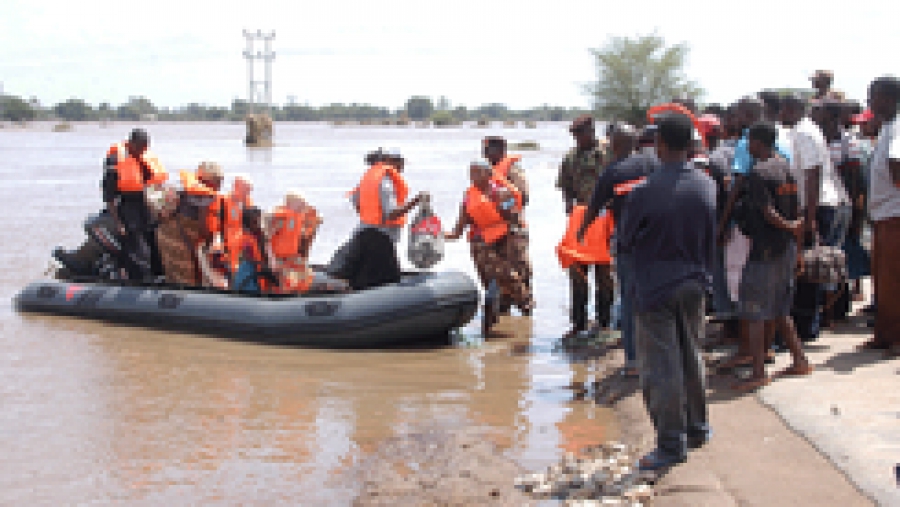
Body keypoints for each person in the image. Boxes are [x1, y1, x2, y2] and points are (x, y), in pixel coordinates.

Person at [616, 113, 715, 471]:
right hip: (695, 284)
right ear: (691, 145)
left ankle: (671, 445)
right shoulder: (707, 185)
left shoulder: (643, 192)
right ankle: (697, 428)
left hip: (655, 288)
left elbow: (625, 241)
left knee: (661, 367)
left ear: (659, 145)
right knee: (692, 357)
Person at [731, 122, 812, 391]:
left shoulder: (759, 172)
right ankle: (799, 359)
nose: (748, 147)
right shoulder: (787, 169)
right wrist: (797, 246)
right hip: (786, 249)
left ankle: (757, 372)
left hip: (765, 250)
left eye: (750, 142)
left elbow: (768, 213)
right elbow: (798, 213)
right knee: (780, 308)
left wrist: (788, 228)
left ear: (758, 142)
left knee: (755, 311)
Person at [578, 124, 653, 377]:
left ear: (615, 144)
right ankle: (654, 355)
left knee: (630, 301)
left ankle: (633, 361)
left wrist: (581, 231)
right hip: (655, 240)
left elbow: (593, 206)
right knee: (654, 298)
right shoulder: (651, 163)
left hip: (628, 243)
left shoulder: (612, 172)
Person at [780, 94, 851, 338]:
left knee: (810, 268)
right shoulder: (808, 130)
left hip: (817, 204)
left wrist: (809, 217)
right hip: (820, 203)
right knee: (813, 267)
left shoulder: (803, 132)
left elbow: (812, 173)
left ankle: (808, 327)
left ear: (789, 109)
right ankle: (812, 322)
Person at [446, 160, 533, 334]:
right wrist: (441, 236)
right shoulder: (469, 196)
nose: (473, 177)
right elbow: (458, 228)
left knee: (508, 274)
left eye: (477, 172)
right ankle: (494, 321)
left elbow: (514, 218)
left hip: (504, 238)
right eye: (471, 173)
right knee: (489, 284)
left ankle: (525, 305)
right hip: (481, 242)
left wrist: (505, 207)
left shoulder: (501, 192)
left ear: (488, 174)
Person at [328, 149, 429, 290]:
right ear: (391, 161)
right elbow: (392, 213)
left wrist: (371, 216)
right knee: (387, 282)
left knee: (363, 280)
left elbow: (356, 202)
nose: (402, 168)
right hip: (380, 240)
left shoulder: (369, 178)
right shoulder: (386, 182)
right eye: (400, 164)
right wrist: (417, 201)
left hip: (363, 234)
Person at [556, 115, 615, 337]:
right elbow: (565, 185)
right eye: (574, 135)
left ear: (591, 131)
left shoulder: (608, 152)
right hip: (580, 219)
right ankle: (578, 323)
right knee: (577, 271)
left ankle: (604, 322)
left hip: (604, 218)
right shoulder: (571, 157)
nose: (577, 139)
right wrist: (568, 203)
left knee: (605, 274)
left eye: (580, 134)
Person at [816, 100, 870, 310]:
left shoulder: (849, 141)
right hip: (823, 203)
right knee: (826, 257)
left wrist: (855, 209)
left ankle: (836, 306)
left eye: (818, 113)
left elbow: (854, 177)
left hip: (840, 204)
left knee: (837, 256)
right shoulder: (818, 138)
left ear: (830, 116)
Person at [100, 128, 168, 282]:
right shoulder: (115, 160)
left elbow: (155, 185)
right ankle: (140, 282)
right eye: (139, 148)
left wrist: (162, 207)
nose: (141, 152)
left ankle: (159, 278)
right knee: (138, 250)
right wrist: (119, 223)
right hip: (127, 207)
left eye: (144, 149)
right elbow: (109, 195)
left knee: (155, 245)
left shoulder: (145, 159)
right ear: (131, 144)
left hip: (146, 206)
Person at [863, 76, 900, 358]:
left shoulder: (897, 128)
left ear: (886, 99)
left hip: (895, 216)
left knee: (894, 279)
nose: (869, 104)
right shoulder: (886, 128)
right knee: (882, 281)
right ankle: (884, 334)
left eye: (872, 98)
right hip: (882, 216)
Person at [155, 161, 224, 287]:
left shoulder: (181, 187)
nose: (220, 186)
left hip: (164, 235)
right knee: (187, 279)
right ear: (210, 181)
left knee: (172, 273)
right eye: (219, 182)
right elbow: (203, 228)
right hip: (182, 243)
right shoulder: (205, 196)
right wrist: (210, 242)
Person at [483, 136, 532, 308]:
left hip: (513, 228)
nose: (487, 154)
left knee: (521, 269)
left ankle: (526, 310)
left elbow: (523, 197)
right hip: (493, 230)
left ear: (502, 151)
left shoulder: (513, 170)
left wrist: (502, 205)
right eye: (486, 151)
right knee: (497, 271)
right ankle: (503, 311)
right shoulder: (486, 171)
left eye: (490, 150)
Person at [266, 191, 321, 294]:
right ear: (291, 204)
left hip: (291, 256)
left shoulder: (297, 217)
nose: (303, 207)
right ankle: (281, 295)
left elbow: (302, 234)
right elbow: (267, 238)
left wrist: (314, 224)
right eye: (300, 204)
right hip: (278, 257)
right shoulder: (280, 218)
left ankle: (300, 293)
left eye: (303, 204)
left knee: (306, 273)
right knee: (285, 278)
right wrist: (271, 258)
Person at [220, 174, 255, 275]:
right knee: (232, 268)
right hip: (229, 240)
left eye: (249, 191)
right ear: (237, 187)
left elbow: (252, 223)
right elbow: (219, 224)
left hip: (244, 240)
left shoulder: (248, 202)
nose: (247, 193)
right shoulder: (225, 201)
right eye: (246, 190)